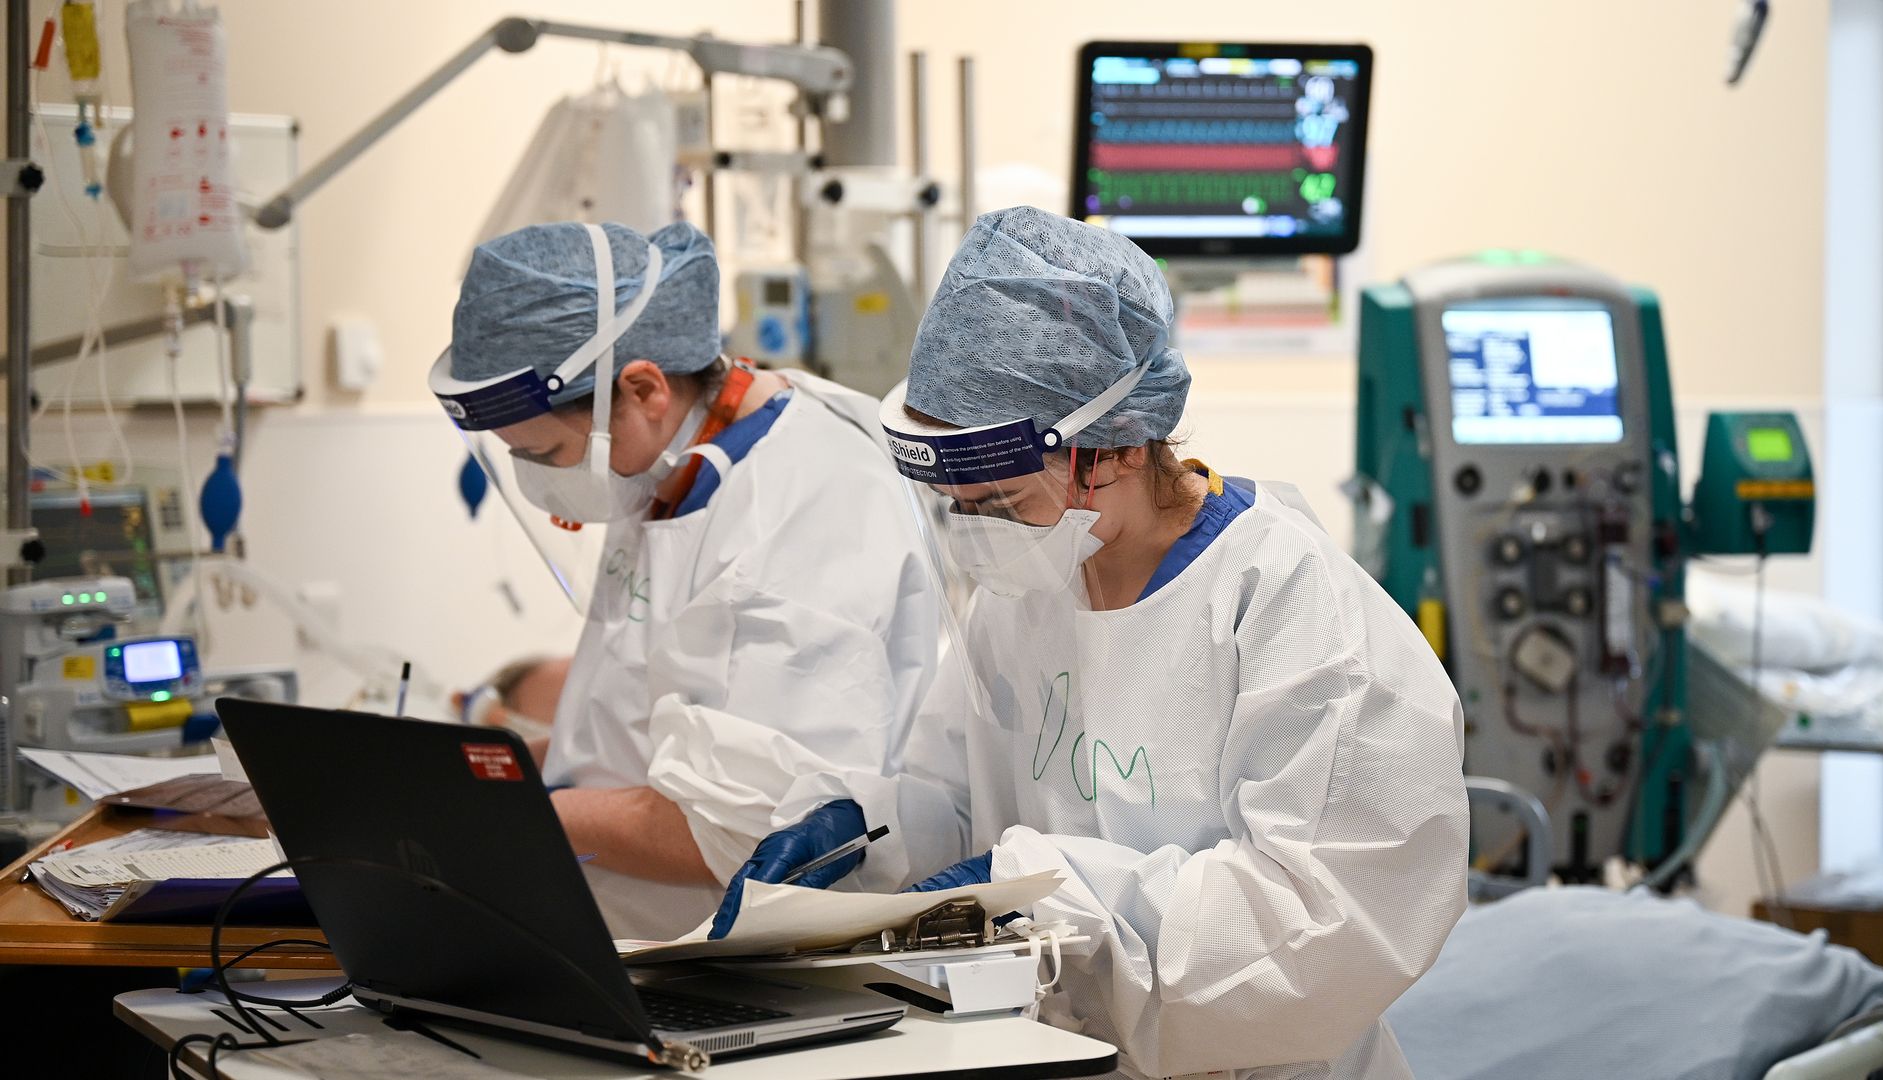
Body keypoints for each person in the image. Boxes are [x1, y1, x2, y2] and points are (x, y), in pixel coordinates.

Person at [710, 207, 1470, 1079]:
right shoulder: (1028, 589)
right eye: (956, 504)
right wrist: (864, 837)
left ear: (1106, 452)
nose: (974, 532)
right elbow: (966, 803)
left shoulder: (1294, 613)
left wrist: (1048, 894)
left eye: (995, 503)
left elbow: (1324, 933)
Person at [429, 220, 960, 940]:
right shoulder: (663, 464)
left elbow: (743, 833)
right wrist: (461, 774)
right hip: (623, 932)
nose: (541, 483)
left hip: (749, 969)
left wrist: (489, 815)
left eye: (548, 453)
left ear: (643, 386)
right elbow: (634, 727)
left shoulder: (803, 509)